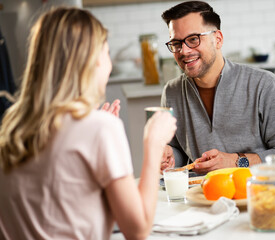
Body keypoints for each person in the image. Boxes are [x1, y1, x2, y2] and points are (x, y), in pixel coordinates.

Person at [0, 7, 176, 240]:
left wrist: (101, 147)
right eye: (107, 53)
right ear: (92, 61)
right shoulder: (99, 128)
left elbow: (62, 210)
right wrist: (153, 145)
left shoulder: (11, 126)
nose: (109, 65)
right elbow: (138, 229)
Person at [160, 1, 275, 175]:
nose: (183, 51)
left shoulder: (264, 84)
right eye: (176, 43)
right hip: (202, 196)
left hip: (259, 193)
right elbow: (179, 151)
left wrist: (236, 161)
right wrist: (171, 157)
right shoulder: (171, 92)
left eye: (193, 39)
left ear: (218, 39)